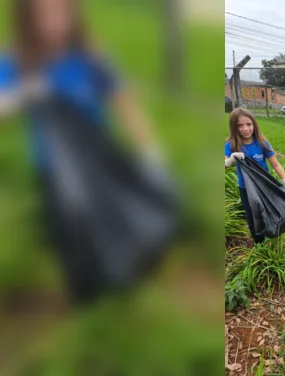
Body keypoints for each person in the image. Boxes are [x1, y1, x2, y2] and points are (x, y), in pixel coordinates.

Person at [0, 0, 164, 305]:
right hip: (56, 168)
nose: (55, 22)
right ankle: (87, 294)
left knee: (121, 219)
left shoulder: (89, 56)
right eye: (44, 15)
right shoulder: (19, 61)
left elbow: (122, 99)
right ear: (28, 19)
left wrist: (149, 151)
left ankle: (123, 278)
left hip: (102, 157)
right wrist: (23, 93)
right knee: (76, 225)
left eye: (61, 12)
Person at [224, 108, 285, 247]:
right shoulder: (231, 145)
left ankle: (272, 236)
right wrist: (230, 160)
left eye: (249, 124)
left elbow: (276, 165)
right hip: (246, 189)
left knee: (269, 211)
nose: (245, 129)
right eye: (240, 125)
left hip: (265, 186)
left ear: (254, 124)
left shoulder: (262, 142)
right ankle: (258, 243)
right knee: (253, 216)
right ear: (234, 127)